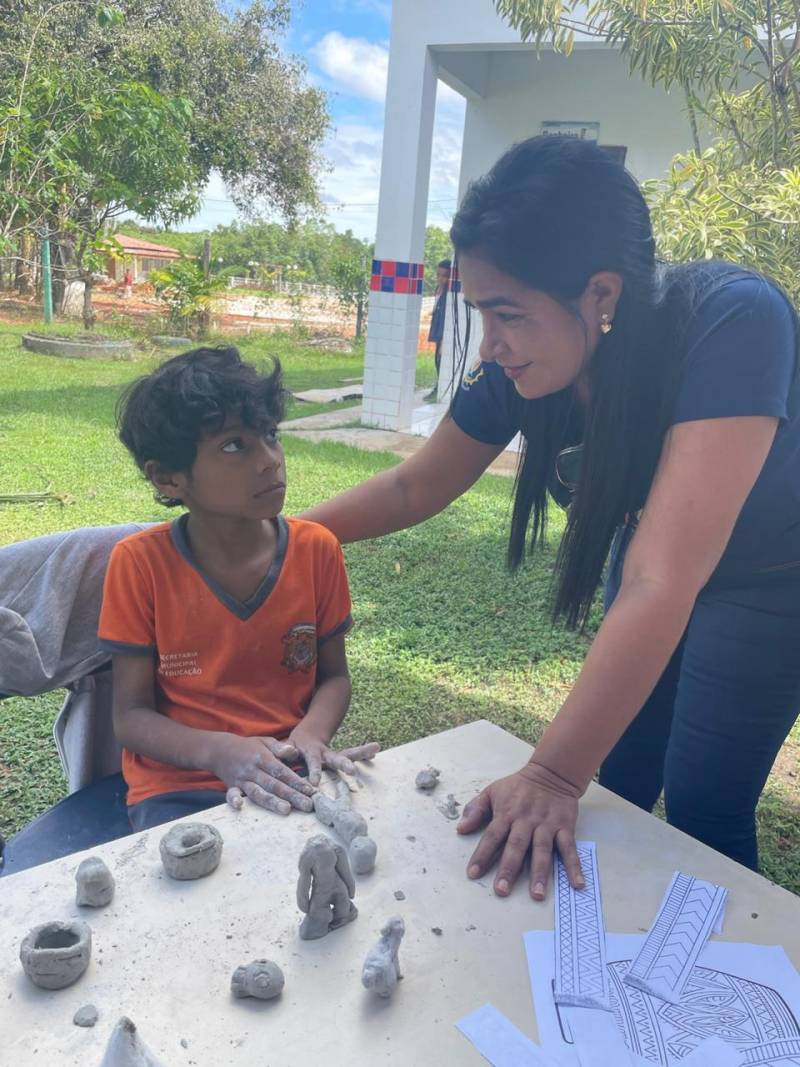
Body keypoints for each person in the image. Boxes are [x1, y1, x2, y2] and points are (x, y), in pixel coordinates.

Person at [304, 135, 800, 898]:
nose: (491, 344)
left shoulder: (733, 320)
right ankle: (597, 946)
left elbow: (662, 579)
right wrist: (283, 537)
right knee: (619, 777)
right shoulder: (524, 363)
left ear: (601, 295)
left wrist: (551, 773)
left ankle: (733, 970)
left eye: (507, 314)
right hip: (649, 559)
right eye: (480, 312)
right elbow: (414, 486)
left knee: (704, 802)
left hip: (768, 580)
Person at [98, 346, 377, 831]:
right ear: (167, 477)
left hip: (289, 770)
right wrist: (220, 752)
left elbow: (335, 678)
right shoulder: (139, 565)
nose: (270, 461)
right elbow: (131, 717)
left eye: (270, 436)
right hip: (178, 787)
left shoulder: (317, 550)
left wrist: (311, 734)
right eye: (234, 446)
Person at [423, 259, 452, 402]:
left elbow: (447, 317)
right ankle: (438, 388)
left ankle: (439, 389)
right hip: (438, 328)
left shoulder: (449, 294)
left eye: (445, 276)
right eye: (438, 275)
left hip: (443, 332)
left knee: (440, 361)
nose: (440, 279)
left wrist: (443, 339)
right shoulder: (438, 290)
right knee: (437, 360)